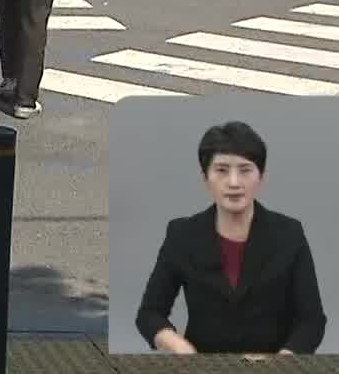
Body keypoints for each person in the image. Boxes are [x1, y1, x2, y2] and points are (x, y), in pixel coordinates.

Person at [135, 122, 326, 355]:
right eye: (222, 170)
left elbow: (312, 320)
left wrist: (284, 360)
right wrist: (176, 345)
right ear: (205, 178)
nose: (234, 182)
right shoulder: (182, 235)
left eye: (245, 170)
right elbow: (149, 313)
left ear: (261, 177)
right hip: (203, 373)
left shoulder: (289, 234)